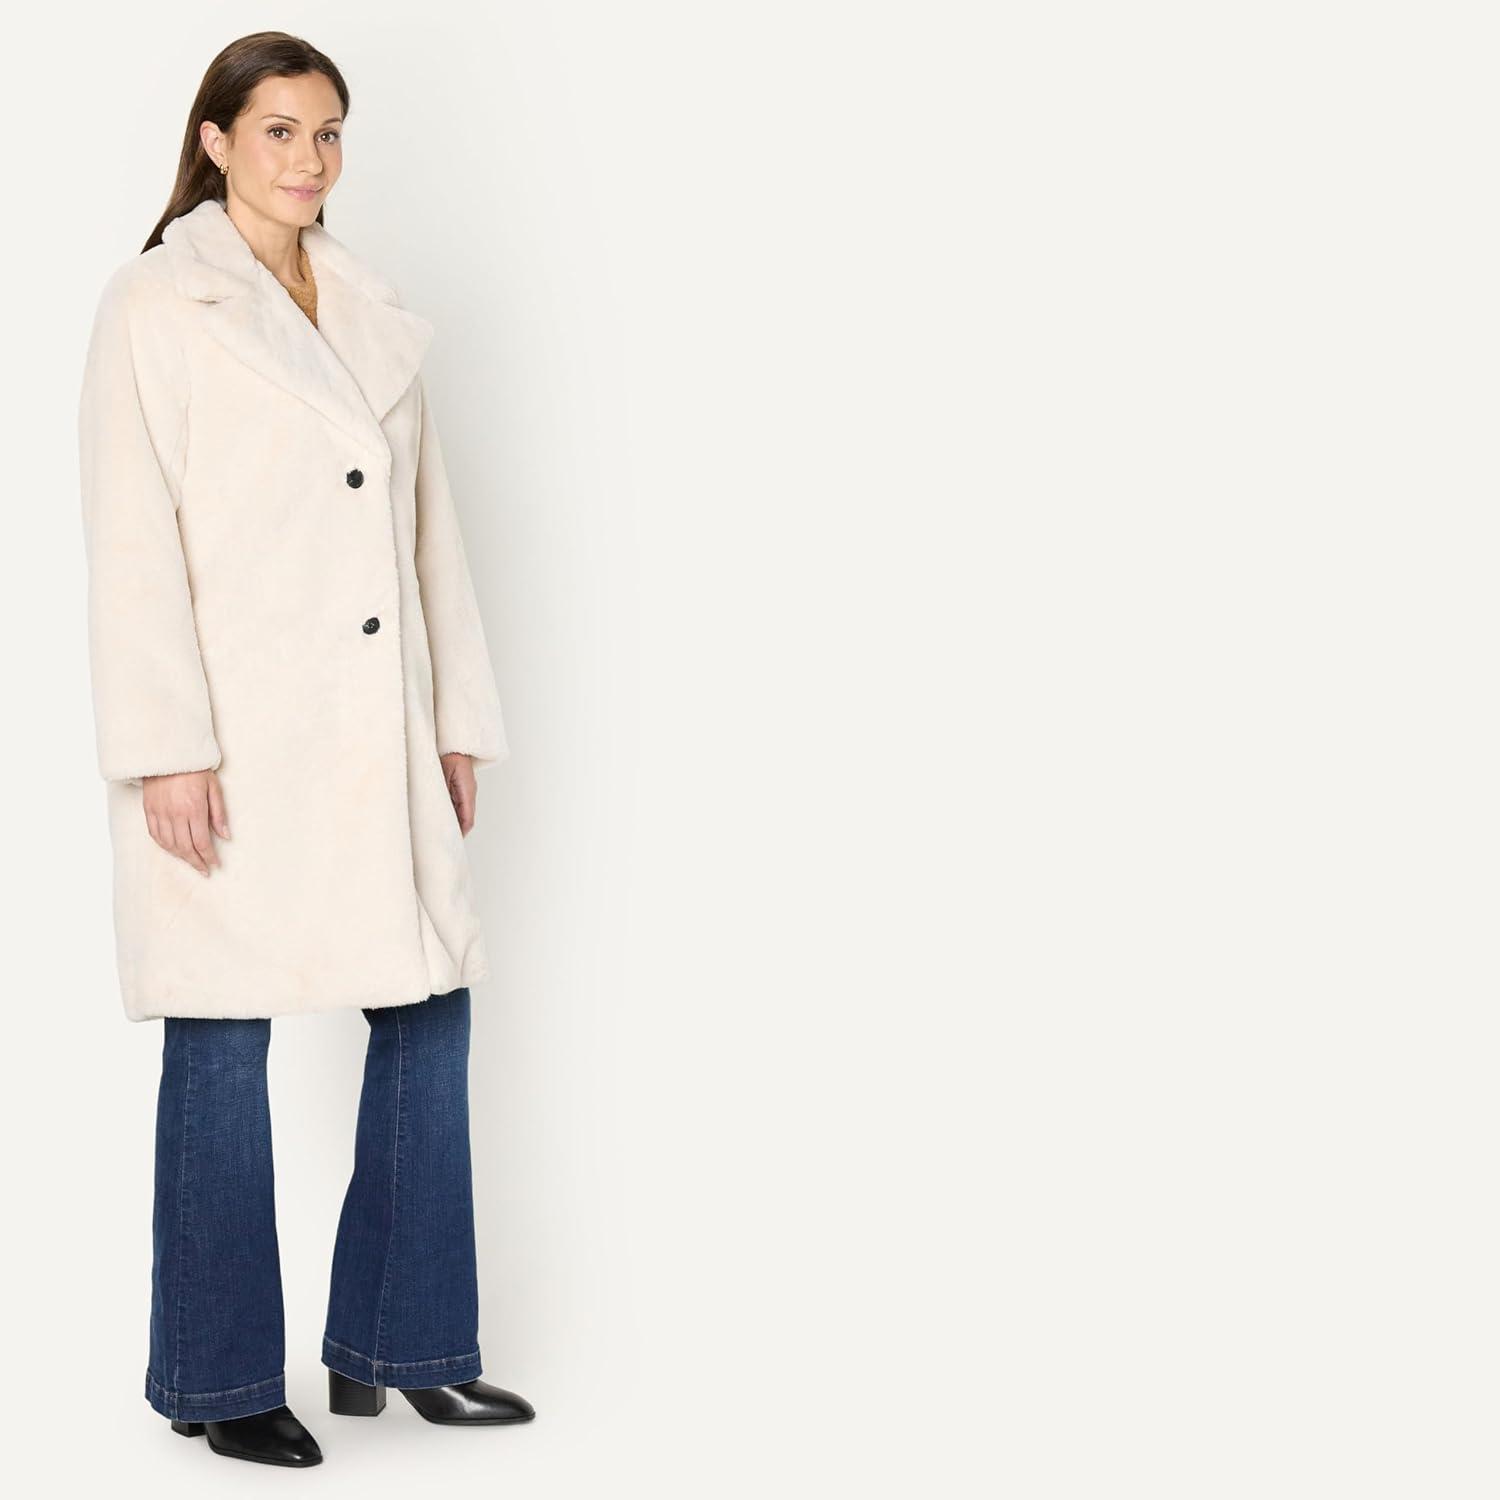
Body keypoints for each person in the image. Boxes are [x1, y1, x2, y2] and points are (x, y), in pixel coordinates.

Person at [77, 31, 535, 1467]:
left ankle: (404, 1345)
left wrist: (453, 721)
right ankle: (218, 1378)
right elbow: (130, 539)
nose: (309, 159)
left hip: (377, 729)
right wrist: (165, 749)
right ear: (216, 141)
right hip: (234, 736)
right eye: (279, 130)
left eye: (328, 132)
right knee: (222, 1041)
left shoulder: (371, 308)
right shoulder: (156, 304)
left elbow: (429, 529)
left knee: (429, 1012)